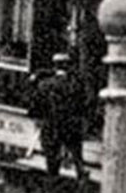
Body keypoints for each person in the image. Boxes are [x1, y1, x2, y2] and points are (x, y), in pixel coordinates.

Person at [30, 52, 87, 182]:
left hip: (51, 126)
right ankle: (81, 173)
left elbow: (35, 107)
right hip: (71, 125)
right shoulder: (76, 84)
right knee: (76, 151)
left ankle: (53, 180)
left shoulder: (45, 84)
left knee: (51, 158)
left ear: (54, 66)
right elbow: (83, 104)